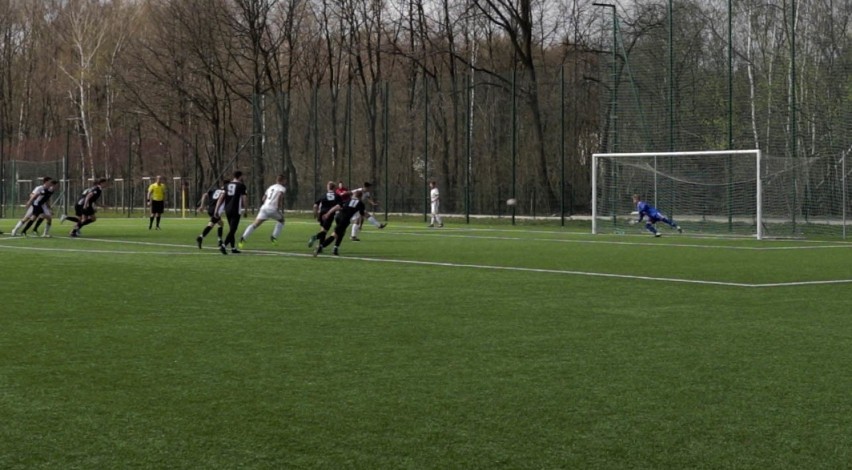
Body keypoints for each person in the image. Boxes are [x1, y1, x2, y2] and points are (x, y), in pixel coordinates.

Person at [239, 174, 286, 249]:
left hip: (264, 208)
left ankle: (243, 238)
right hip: (272, 208)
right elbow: (280, 195)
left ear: (276, 180)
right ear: (283, 180)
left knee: (255, 224)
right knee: (282, 220)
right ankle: (274, 237)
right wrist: (278, 206)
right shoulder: (282, 188)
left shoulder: (271, 187)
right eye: (284, 180)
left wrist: (266, 205)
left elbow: (263, 198)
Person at [314, 189, 366, 257]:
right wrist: (361, 224)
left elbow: (336, 207)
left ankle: (335, 248)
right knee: (335, 235)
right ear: (360, 197)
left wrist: (328, 214)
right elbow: (363, 216)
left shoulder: (348, 200)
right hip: (345, 220)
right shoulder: (360, 203)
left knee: (341, 232)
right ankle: (320, 247)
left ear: (354, 195)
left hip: (338, 216)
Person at [213, 171, 248, 254]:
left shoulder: (226, 185)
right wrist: (246, 209)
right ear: (240, 176)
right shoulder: (241, 185)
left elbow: (221, 198)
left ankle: (233, 248)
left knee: (232, 229)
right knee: (233, 229)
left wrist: (216, 209)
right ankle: (224, 245)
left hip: (228, 209)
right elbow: (244, 198)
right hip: (236, 209)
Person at [308, 181, 344, 250]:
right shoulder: (337, 196)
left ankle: (320, 247)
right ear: (334, 188)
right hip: (329, 214)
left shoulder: (323, 195)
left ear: (328, 187)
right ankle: (315, 237)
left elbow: (315, 205)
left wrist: (315, 214)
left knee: (323, 230)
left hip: (322, 214)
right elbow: (340, 206)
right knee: (324, 231)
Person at [195, 179, 227, 249]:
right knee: (211, 225)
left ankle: (220, 240)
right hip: (216, 210)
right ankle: (200, 237)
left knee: (220, 223)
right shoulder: (225, 191)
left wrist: (202, 206)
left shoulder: (215, 190)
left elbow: (204, 195)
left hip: (210, 209)